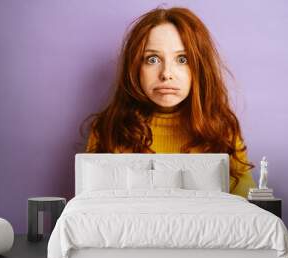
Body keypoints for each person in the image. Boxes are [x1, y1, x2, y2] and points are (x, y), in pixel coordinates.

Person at [80, 7, 256, 197]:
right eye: (152, 59)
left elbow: (245, 212)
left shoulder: (222, 130)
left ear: (200, 68)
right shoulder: (107, 130)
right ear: (135, 68)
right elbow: (93, 211)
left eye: (182, 59)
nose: (166, 74)